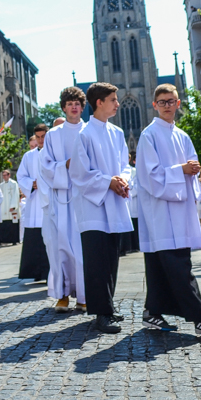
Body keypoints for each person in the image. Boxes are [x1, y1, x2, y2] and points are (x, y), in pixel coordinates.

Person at [135, 84, 201, 336]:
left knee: (158, 265)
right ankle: (200, 320)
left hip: (180, 210)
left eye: (170, 101)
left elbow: (191, 166)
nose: (166, 105)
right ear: (155, 105)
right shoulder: (148, 135)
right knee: (178, 266)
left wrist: (193, 169)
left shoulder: (182, 135)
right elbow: (148, 176)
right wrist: (181, 170)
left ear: (178, 103)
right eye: (161, 102)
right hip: (160, 213)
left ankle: (152, 313)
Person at [69, 83, 133, 334]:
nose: (117, 104)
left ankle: (108, 306)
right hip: (93, 208)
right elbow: (79, 172)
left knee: (111, 259)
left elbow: (125, 165)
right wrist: (109, 181)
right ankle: (100, 313)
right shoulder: (84, 135)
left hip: (114, 203)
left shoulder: (117, 133)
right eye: (113, 100)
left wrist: (124, 180)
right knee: (96, 261)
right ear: (99, 103)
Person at [39, 87, 88, 313]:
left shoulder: (90, 131)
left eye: (77, 103)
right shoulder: (53, 135)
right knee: (60, 247)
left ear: (82, 106)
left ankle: (85, 295)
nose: (74, 106)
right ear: (64, 107)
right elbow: (45, 166)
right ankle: (62, 295)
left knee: (83, 249)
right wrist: (64, 166)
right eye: (69, 103)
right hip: (61, 197)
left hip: (86, 197)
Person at [17, 126, 50, 281]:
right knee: (35, 240)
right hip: (34, 201)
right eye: (38, 137)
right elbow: (21, 176)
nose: (40, 140)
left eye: (43, 136)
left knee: (49, 239)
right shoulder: (28, 156)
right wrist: (32, 184)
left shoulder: (53, 153)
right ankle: (36, 273)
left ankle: (49, 272)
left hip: (49, 202)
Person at [0, 169, 20, 245]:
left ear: (9, 175)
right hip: (4, 207)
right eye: (3, 175)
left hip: (12, 207)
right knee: (5, 224)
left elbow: (16, 195)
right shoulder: (1, 185)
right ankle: (6, 240)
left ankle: (14, 240)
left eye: (5, 175)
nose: (4, 177)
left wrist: (13, 206)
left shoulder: (14, 184)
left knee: (13, 224)